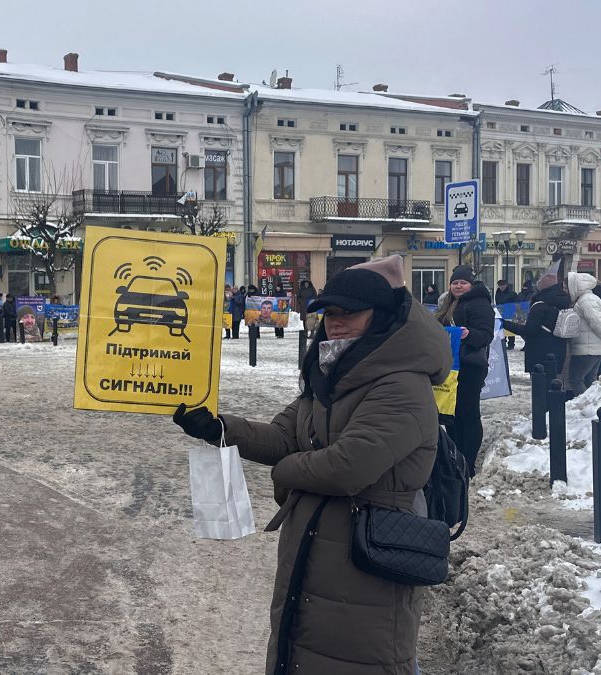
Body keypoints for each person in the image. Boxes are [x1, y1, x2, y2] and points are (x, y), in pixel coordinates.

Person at [171, 255, 450, 674]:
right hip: (315, 548)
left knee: (357, 661)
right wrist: (218, 428)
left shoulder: (403, 385)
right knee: (300, 652)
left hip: (369, 558)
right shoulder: (330, 375)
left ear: (382, 317)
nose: (335, 323)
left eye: (348, 314)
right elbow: (284, 437)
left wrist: (284, 474)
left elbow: (347, 467)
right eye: (329, 313)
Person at [435, 265, 495, 475]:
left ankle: (468, 462)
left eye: (463, 282)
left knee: (468, 413)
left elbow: (486, 335)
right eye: (455, 282)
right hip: (451, 367)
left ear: (471, 284)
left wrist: (469, 334)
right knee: (451, 413)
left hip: (470, 367)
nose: (458, 286)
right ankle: (455, 456)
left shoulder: (479, 303)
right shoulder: (448, 303)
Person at [502, 272, 571, 377]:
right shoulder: (565, 302)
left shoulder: (539, 306)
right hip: (559, 350)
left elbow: (529, 331)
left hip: (539, 353)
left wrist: (504, 324)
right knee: (553, 385)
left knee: (540, 387)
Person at [565, 273, 601, 396]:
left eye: (567, 287)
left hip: (587, 349)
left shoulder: (586, 300)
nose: (566, 290)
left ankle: (587, 404)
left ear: (576, 286)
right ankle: (594, 404)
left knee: (575, 379)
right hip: (593, 347)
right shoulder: (590, 299)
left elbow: (597, 322)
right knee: (590, 380)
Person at [495, 281, 520, 349]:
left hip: (510, 313)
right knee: (502, 329)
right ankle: (503, 343)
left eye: (503, 285)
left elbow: (517, 302)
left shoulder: (512, 293)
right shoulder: (498, 293)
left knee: (511, 328)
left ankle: (511, 344)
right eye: (500, 285)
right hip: (502, 313)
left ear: (506, 285)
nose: (502, 287)